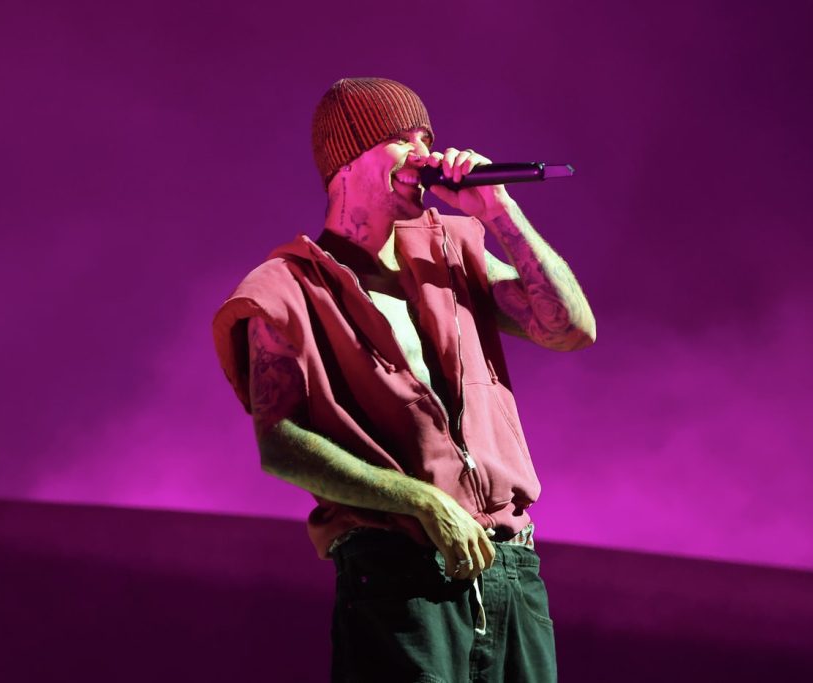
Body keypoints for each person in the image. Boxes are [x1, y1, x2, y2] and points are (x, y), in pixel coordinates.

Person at [212, 77, 595, 683]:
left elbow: (571, 328)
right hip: (398, 579)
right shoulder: (285, 289)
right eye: (402, 138)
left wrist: (500, 211)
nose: (424, 154)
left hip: (510, 570)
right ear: (345, 160)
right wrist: (419, 500)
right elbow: (281, 444)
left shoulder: (453, 252)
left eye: (427, 138)